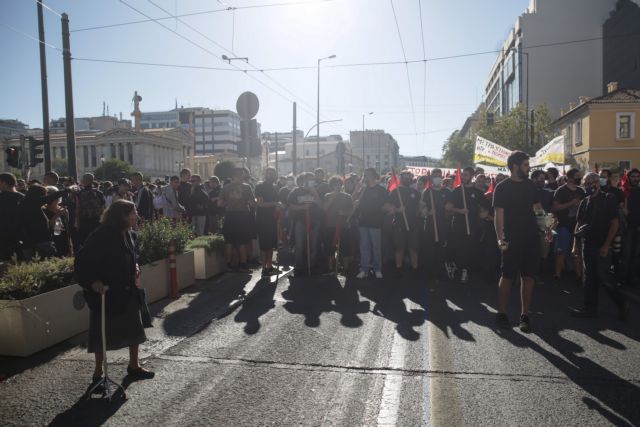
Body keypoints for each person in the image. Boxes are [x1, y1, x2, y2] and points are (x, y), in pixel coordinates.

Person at [75, 200, 154, 384]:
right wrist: (93, 281)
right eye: (133, 212)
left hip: (127, 288)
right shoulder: (101, 234)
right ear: (122, 216)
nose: (137, 216)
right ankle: (98, 372)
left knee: (134, 328)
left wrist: (135, 264)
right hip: (106, 292)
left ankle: (134, 365)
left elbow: (133, 255)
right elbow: (82, 261)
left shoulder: (130, 234)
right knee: (101, 333)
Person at [493, 151, 548, 332]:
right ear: (515, 166)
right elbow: (498, 214)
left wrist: (547, 226)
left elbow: (537, 207)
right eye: (525, 165)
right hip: (511, 238)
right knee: (507, 276)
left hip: (531, 237)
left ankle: (525, 315)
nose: (528, 168)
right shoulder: (502, 187)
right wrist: (500, 238)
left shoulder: (530, 186)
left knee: (528, 277)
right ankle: (501, 313)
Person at [571, 173, 630, 320]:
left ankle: (623, 305)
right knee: (589, 279)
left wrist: (606, 245)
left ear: (599, 183)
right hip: (587, 245)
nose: (591, 185)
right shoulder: (584, 202)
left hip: (602, 246)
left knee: (604, 279)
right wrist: (575, 245)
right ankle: (589, 309)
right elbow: (578, 224)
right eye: (587, 182)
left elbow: (615, 223)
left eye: (594, 181)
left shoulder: (608, 198)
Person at [445, 167, 489, 283]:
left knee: (469, 249)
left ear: (472, 176)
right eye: (462, 175)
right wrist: (459, 210)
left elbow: (484, 210)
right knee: (457, 248)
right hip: (458, 225)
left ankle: (465, 270)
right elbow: (448, 208)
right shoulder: (457, 190)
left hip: (473, 225)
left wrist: (483, 213)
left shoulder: (478, 193)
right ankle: (454, 267)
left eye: (466, 175)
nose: (464, 177)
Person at [17, 184, 68, 260]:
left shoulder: (29, 205)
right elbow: (56, 230)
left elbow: (59, 230)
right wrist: (57, 215)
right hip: (41, 240)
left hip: (33, 241)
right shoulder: (42, 209)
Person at [385, 170, 422, 278]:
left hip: (413, 224)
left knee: (413, 248)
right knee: (399, 248)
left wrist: (422, 211)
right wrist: (397, 209)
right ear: (401, 178)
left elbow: (419, 207)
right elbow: (388, 207)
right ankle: (398, 268)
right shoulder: (395, 191)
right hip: (399, 224)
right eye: (405, 177)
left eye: (409, 177)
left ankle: (415, 269)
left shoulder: (416, 193)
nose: (407, 179)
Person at [219, 168, 256, 271]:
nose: (244, 177)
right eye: (243, 175)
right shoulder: (247, 187)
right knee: (242, 241)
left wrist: (229, 202)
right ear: (238, 176)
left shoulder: (225, 187)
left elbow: (219, 203)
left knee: (229, 241)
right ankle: (243, 264)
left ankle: (228, 264)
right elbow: (252, 203)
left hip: (230, 215)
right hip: (242, 216)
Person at [552, 168, 585, 282]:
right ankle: (557, 275)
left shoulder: (581, 191)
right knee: (561, 251)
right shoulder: (561, 191)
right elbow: (555, 207)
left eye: (579, 176)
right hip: (564, 225)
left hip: (578, 225)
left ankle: (579, 276)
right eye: (577, 176)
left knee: (577, 252)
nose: (579, 178)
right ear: (570, 178)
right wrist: (571, 203)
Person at [354, 168, 388, 279]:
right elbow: (353, 200)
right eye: (364, 175)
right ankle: (364, 269)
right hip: (363, 221)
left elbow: (386, 205)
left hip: (376, 222)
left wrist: (383, 208)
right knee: (364, 247)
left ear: (374, 175)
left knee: (376, 247)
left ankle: (377, 269)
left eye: (367, 175)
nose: (365, 177)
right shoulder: (363, 190)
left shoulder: (381, 190)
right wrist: (357, 192)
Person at [287, 173, 323, 276]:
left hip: (315, 221)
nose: (310, 182)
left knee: (313, 244)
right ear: (304, 181)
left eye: (312, 180)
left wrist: (315, 194)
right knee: (299, 244)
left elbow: (322, 206)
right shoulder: (296, 191)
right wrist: (303, 208)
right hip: (300, 221)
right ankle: (299, 266)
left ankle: (312, 265)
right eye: (308, 180)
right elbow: (290, 206)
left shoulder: (317, 190)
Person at [421, 169, 451, 279]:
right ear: (432, 178)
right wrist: (428, 212)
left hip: (443, 225)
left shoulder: (447, 192)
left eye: (439, 176)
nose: (437, 178)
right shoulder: (427, 192)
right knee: (429, 250)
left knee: (441, 250)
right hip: (430, 225)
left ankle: (439, 272)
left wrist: (448, 208)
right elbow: (422, 210)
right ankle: (429, 273)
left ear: (442, 177)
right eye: (435, 176)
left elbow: (451, 209)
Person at [323, 176, 354, 273]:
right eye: (335, 184)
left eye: (339, 184)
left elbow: (351, 211)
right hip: (330, 225)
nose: (337, 186)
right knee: (330, 247)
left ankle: (346, 267)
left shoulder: (347, 196)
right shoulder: (327, 195)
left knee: (345, 247)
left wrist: (344, 213)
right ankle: (330, 267)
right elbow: (324, 209)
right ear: (331, 185)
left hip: (344, 225)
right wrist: (333, 196)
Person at [254, 168, 281, 276]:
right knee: (264, 244)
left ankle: (269, 266)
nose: (271, 176)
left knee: (271, 244)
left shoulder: (275, 187)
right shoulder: (260, 186)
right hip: (263, 219)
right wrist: (275, 204)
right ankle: (264, 268)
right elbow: (260, 204)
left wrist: (278, 206)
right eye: (269, 174)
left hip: (272, 218)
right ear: (265, 175)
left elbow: (276, 202)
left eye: (273, 174)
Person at [75, 173, 106, 250]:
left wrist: (77, 224)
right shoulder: (99, 193)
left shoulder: (80, 193)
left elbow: (78, 209)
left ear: (84, 181)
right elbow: (103, 210)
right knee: (96, 243)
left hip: (84, 222)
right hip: (97, 221)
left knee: (84, 243)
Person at [0, 173, 25, 260]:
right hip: (21, 237)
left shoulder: (1, 197)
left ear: (3, 183)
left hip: (3, 238)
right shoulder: (23, 197)